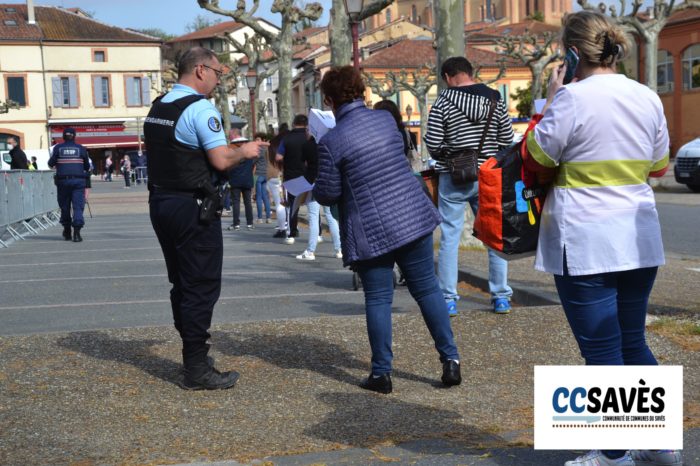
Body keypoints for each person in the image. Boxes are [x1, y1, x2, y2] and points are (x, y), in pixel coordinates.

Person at [524, 12, 677, 466]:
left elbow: (535, 158)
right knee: (633, 342)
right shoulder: (647, 97)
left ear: (572, 54)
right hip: (638, 237)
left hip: (585, 240)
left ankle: (613, 454)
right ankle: (660, 445)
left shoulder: (571, 98)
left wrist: (547, 103)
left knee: (603, 351)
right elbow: (659, 167)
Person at [313, 66, 461, 394]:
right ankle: (451, 360)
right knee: (427, 289)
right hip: (411, 214)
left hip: (370, 227)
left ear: (328, 100)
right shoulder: (385, 120)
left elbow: (327, 193)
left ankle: (382, 373)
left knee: (378, 297)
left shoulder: (331, 141)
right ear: (363, 91)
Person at [144, 46, 267, 390]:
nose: (217, 79)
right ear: (200, 70)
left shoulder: (159, 107)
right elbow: (219, 160)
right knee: (201, 285)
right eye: (216, 72)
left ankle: (193, 354)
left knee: (181, 283)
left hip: (162, 202)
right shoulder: (200, 109)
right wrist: (244, 150)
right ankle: (196, 367)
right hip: (192, 207)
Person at [425, 56, 515, 316]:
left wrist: (451, 156)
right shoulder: (495, 99)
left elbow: (433, 141)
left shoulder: (443, 101)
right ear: (470, 72)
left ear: (448, 77)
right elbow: (507, 139)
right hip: (488, 176)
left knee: (450, 237)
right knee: (494, 237)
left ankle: (449, 298)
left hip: (454, 177)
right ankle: (500, 297)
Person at [295, 135, 342, 261]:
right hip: (326, 183)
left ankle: (311, 251)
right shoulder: (330, 142)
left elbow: (303, 163)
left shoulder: (308, 145)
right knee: (330, 216)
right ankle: (339, 249)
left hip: (312, 183)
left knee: (314, 217)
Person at [48, 128, 90, 242]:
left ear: (63, 136)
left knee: (65, 207)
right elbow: (87, 166)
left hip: (63, 182)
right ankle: (77, 233)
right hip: (78, 182)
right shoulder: (81, 149)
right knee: (78, 207)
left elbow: (50, 164)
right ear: (74, 136)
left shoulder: (58, 148)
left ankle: (67, 231)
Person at [276, 115, 310, 245]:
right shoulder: (309, 138)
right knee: (312, 205)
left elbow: (279, 157)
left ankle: (292, 233)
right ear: (306, 124)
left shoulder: (287, 138)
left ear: (294, 123)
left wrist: (289, 158)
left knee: (292, 205)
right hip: (308, 175)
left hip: (290, 175)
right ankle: (317, 234)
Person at [227, 133, 254, 230]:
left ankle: (236, 224)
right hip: (247, 180)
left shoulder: (233, 153)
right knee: (248, 202)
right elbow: (252, 165)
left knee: (236, 202)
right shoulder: (249, 154)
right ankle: (250, 223)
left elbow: (229, 167)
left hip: (235, 180)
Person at [268, 124, 289, 238]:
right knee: (290, 203)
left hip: (275, 175)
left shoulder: (274, 142)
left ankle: (282, 228)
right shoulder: (290, 140)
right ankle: (291, 226)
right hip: (289, 174)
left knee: (279, 203)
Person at [253, 133, 271, 224]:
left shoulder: (258, 150)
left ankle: (260, 218)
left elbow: (253, 161)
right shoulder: (267, 149)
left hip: (259, 174)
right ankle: (268, 217)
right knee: (265, 197)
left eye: (258, 139)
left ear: (262, 140)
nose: (257, 141)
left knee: (259, 197)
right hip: (265, 174)